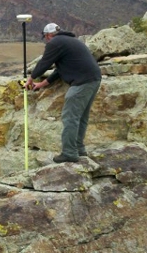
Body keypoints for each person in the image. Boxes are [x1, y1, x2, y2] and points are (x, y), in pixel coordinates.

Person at [25, 23, 101, 163]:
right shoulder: (69, 41)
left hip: (82, 82)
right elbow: (59, 71)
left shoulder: (55, 42)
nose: (47, 40)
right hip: (93, 79)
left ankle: (69, 153)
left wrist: (30, 78)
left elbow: (44, 63)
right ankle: (79, 149)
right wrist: (41, 84)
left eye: (46, 38)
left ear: (48, 35)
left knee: (70, 117)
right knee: (81, 116)